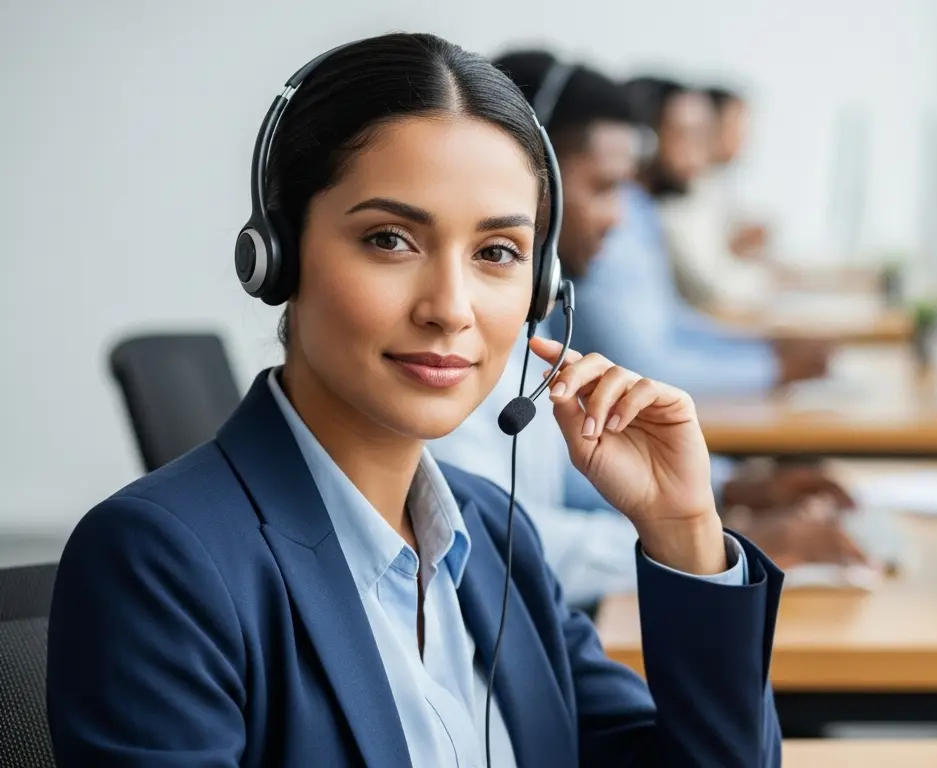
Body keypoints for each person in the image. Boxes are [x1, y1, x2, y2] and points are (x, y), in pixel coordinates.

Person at [46, 34, 782, 767]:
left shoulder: (494, 537)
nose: (450, 309)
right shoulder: (160, 561)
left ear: (542, 290)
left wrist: (683, 532)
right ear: (278, 251)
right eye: (391, 239)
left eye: (497, 253)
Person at [432, 51, 861, 608]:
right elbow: (496, 544)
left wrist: (724, 492)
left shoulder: (525, 330)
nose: (620, 215)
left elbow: (562, 477)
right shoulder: (442, 349)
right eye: (604, 188)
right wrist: (714, 543)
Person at [554, 76, 830, 397]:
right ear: (645, 144)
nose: (701, 152)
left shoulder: (640, 211)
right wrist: (770, 366)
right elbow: (644, 365)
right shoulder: (602, 232)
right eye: (687, 136)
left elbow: (671, 323)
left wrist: (763, 348)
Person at [657, 86, 773, 310]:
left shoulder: (706, 190)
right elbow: (709, 288)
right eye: (736, 127)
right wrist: (766, 281)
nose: (743, 139)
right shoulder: (667, 206)